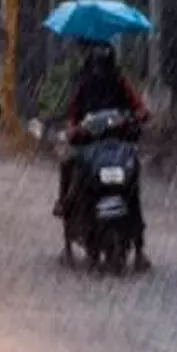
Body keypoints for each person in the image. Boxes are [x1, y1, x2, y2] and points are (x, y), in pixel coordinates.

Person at [53, 40, 151, 268]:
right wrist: (75, 130)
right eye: (97, 64)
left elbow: (139, 107)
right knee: (68, 164)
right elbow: (72, 115)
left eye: (103, 63)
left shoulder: (121, 82)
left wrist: (137, 117)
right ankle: (66, 209)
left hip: (118, 145)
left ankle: (138, 247)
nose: (100, 69)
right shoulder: (82, 84)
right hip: (89, 146)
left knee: (133, 188)